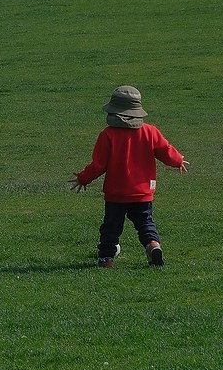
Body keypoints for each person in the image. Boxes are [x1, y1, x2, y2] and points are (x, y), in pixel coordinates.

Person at [70, 84, 188, 267]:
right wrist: (178, 160)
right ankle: (153, 245)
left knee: (111, 228)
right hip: (143, 191)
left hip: (116, 193)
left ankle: (106, 258)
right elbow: (165, 151)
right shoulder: (150, 132)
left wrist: (83, 178)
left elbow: (98, 165)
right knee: (145, 223)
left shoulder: (108, 135)